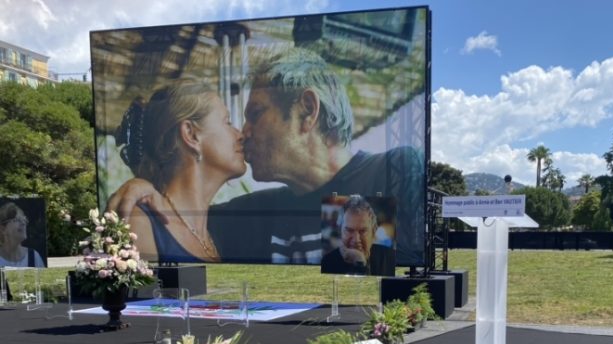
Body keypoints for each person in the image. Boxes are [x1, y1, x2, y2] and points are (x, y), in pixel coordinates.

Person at [108, 47, 424, 266]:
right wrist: (142, 186)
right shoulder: (246, 215)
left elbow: (404, 282)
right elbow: (176, 216)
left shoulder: (393, 169)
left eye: (255, 113)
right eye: (232, 121)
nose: (243, 132)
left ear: (307, 111)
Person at [114, 80, 246, 263]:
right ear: (191, 135)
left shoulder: (218, 234)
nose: (240, 135)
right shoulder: (140, 224)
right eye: (227, 122)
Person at [321, 195, 395, 276]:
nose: (356, 240)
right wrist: (360, 263)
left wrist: (360, 263)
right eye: (349, 230)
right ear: (340, 231)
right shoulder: (327, 263)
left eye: (363, 231)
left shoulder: (391, 258)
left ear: (373, 233)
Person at [0, 202, 45, 268]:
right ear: (3, 229)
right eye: (17, 220)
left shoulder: (34, 257)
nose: (23, 223)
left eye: (24, 219)